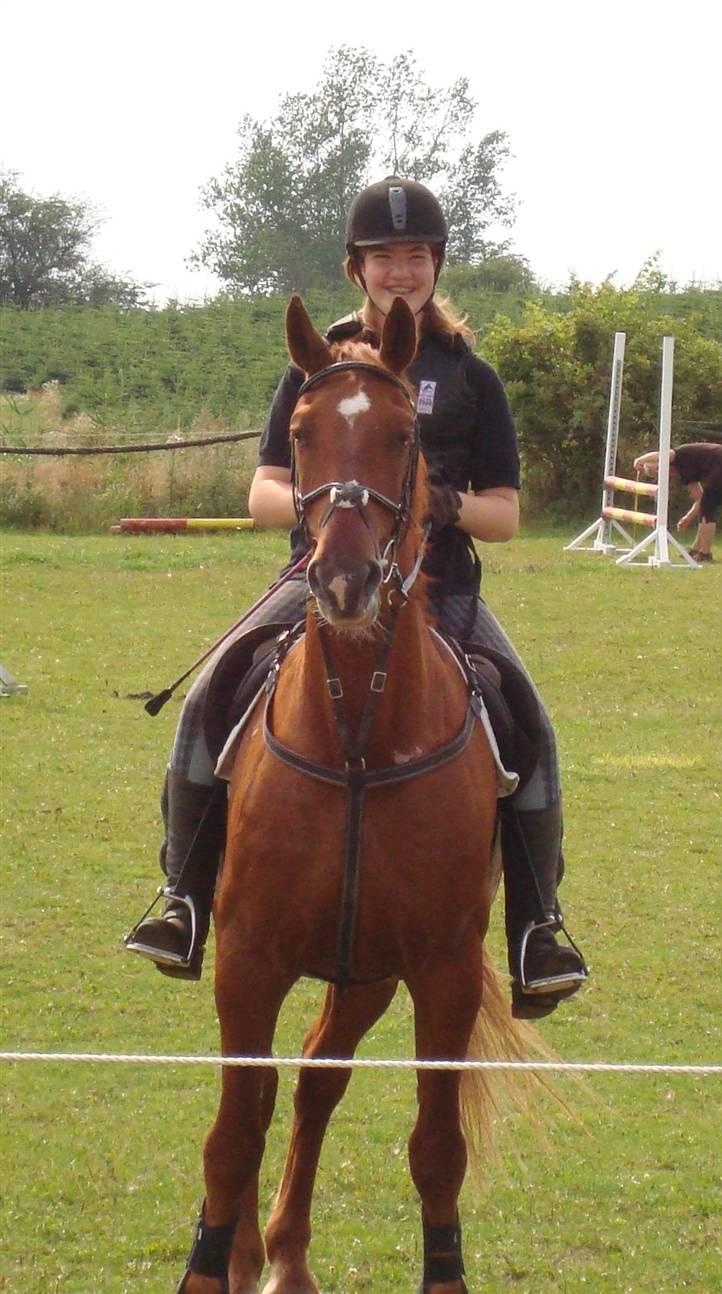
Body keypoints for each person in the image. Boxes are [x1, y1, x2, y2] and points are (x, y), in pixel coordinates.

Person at [126, 176, 588, 1018]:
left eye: (416, 256)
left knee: (530, 720)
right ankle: (183, 899)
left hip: (439, 593)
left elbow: (509, 516)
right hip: (317, 578)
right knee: (209, 695)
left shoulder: (471, 377)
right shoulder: (316, 364)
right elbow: (265, 491)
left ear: (436, 266)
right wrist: (320, 506)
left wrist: (446, 504)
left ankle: (537, 928)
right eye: (385, 258)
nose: (401, 272)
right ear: (356, 269)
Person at [634, 442, 722, 562]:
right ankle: (696, 550)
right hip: (719, 468)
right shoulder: (685, 474)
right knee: (706, 507)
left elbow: (660, 454)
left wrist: (640, 459)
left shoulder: (677, 455)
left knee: (707, 509)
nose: (664, 474)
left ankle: (705, 553)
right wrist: (687, 518)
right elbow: (699, 498)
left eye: (659, 469)